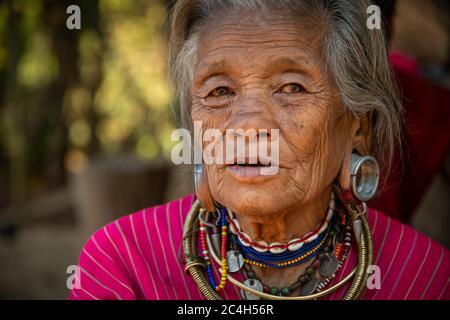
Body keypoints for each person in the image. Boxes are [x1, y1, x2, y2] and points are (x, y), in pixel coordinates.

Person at [70, 0, 449, 300]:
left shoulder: (426, 278)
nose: (248, 126)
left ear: (357, 125)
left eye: (291, 88)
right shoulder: (125, 263)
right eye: (219, 91)